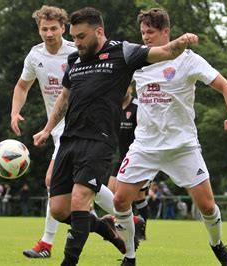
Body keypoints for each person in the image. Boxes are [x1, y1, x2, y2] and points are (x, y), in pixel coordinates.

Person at [32, 7, 200, 266]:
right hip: (69, 139)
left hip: (99, 140)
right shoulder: (76, 60)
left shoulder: (123, 52)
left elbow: (164, 52)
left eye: (81, 36)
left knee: (80, 200)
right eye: (74, 37)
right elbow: (64, 99)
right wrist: (47, 128)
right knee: (59, 209)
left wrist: (182, 41)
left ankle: (69, 262)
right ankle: (105, 229)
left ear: (99, 31)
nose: (75, 43)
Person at [112, 8, 227, 265]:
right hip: (145, 146)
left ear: (166, 32)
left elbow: (226, 86)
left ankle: (218, 245)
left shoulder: (188, 60)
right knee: (119, 199)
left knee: (207, 206)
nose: (145, 37)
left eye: (151, 32)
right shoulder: (138, 60)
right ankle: (129, 255)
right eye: (143, 32)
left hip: (182, 146)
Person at [10, 5, 117, 259]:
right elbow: (22, 86)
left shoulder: (77, 49)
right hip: (56, 128)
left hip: (79, 126)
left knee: (52, 180)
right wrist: (15, 112)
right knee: (77, 183)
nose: (49, 34)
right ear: (39, 30)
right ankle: (125, 214)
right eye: (44, 29)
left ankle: (47, 243)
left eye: (54, 28)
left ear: (63, 28)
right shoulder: (35, 55)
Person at [107, 84, 148, 240]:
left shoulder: (138, 107)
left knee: (139, 197)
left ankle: (141, 231)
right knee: (111, 193)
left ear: (130, 88)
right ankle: (124, 227)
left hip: (139, 159)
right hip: (121, 158)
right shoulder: (115, 108)